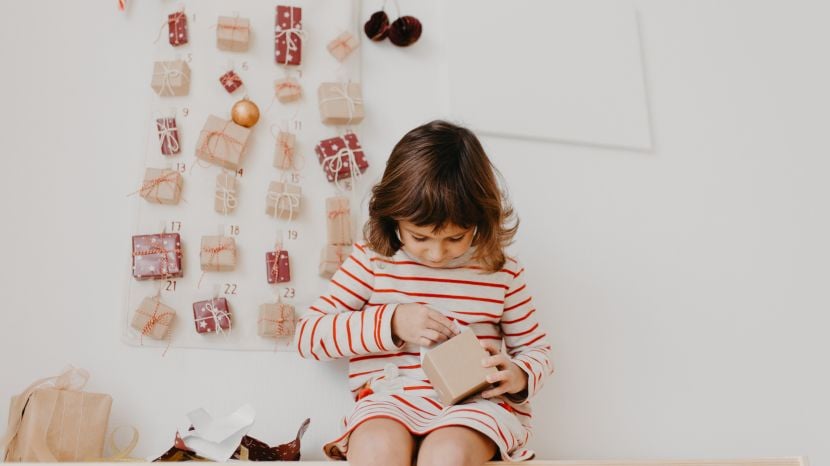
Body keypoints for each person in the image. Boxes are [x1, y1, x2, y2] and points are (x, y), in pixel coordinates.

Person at [295, 120, 553, 465]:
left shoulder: (501, 271)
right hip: (390, 400)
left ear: (480, 221)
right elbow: (308, 336)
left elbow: (536, 350)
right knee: (376, 449)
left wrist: (518, 374)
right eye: (420, 237)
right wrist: (392, 322)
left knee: (447, 454)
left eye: (455, 238)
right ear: (393, 219)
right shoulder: (375, 261)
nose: (436, 254)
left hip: (473, 408)